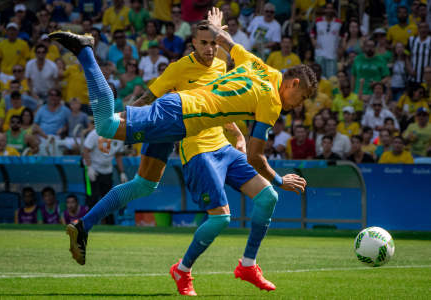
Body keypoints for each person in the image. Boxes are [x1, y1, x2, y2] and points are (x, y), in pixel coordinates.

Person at [49, 12, 313, 294]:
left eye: (212, 42)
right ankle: (86, 50)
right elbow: (255, 155)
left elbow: (228, 65)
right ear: (193, 44)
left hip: (187, 127)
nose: (210, 48)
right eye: (204, 42)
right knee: (106, 124)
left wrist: (236, 133)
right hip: (180, 120)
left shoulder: (261, 68)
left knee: (144, 184)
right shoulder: (181, 70)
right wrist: (280, 179)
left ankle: (83, 227)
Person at [83, 128, 127, 224]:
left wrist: (122, 172)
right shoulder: (95, 133)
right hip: (92, 168)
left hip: (107, 170)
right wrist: (89, 167)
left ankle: (110, 224)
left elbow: (118, 155)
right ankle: (88, 223)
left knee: (108, 199)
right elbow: (85, 150)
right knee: (92, 198)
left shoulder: (120, 136)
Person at [310, 3, 342, 78]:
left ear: (334, 10)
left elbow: (343, 36)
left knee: (332, 79)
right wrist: (313, 42)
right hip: (320, 55)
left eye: (331, 8)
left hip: (332, 55)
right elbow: (312, 33)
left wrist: (341, 48)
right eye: (327, 8)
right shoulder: (318, 21)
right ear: (324, 10)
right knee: (319, 78)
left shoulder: (339, 23)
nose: (329, 10)